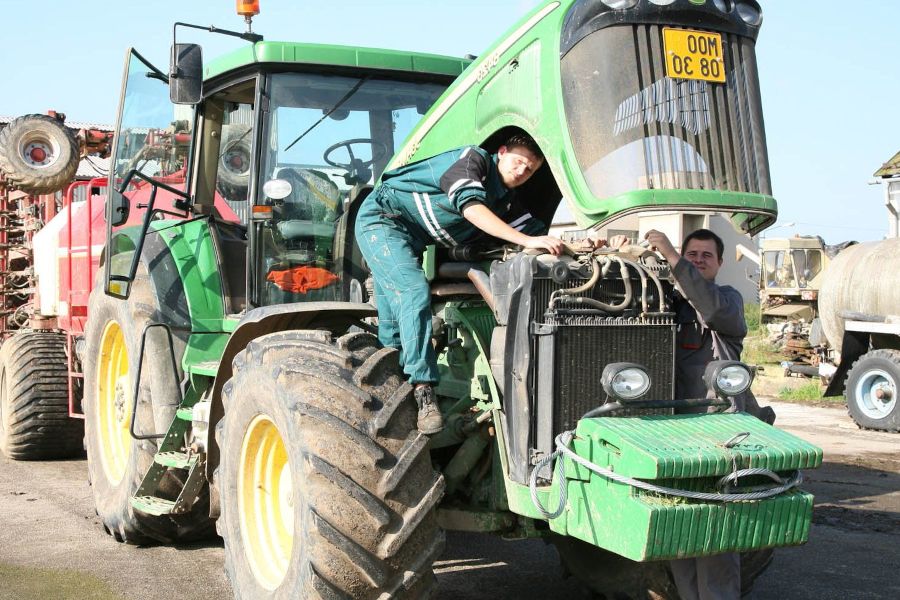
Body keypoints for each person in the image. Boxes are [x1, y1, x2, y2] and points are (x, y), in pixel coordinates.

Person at [355, 134, 564, 434]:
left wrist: (585, 243)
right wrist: (525, 240)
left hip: (414, 241)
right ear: (501, 152)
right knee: (413, 291)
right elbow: (471, 208)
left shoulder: (506, 204)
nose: (521, 171)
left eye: (529, 169)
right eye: (518, 161)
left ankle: (390, 390)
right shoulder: (473, 160)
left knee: (392, 332)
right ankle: (423, 389)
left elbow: (542, 239)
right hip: (384, 219)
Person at [644, 227, 745, 600]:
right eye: (692, 254)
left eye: (707, 255)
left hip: (716, 431)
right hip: (670, 433)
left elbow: (710, 307)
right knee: (679, 530)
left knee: (716, 527)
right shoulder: (666, 302)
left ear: (720, 263)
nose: (699, 260)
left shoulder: (728, 302)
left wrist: (672, 255)